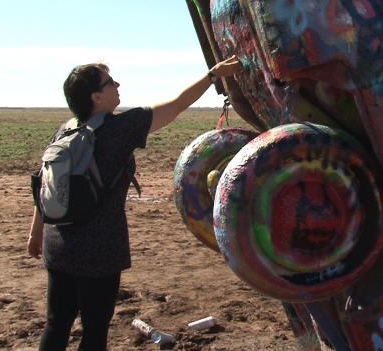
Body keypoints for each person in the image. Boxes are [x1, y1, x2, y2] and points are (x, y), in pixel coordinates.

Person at [26, 55, 241, 350]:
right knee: (94, 329)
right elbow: (177, 105)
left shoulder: (66, 130)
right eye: (109, 82)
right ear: (96, 96)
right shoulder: (120, 129)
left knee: (56, 323)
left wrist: (35, 233)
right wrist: (213, 75)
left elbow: (43, 186)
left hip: (57, 243)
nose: (117, 85)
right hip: (99, 250)